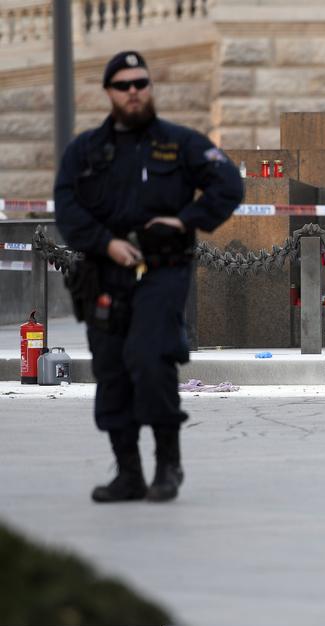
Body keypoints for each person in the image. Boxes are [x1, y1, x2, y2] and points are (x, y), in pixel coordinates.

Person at [55, 51, 243, 503]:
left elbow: (228, 183)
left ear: (150, 87)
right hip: (105, 274)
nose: (134, 91)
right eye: (123, 85)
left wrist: (187, 220)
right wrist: (105, 243)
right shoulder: (85, 150)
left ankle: (167, 465)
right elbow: (67, 206)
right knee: (112, 369)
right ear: (109, 93)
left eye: (141, 82)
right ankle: (128, 473)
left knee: (149, 357)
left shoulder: (180, 143)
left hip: (163, 271)